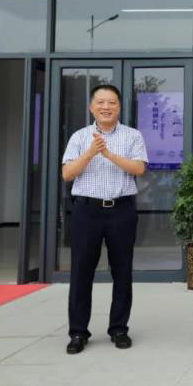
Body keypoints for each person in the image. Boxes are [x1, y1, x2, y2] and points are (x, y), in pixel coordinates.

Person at [61, 84, 148, 355]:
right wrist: (90, 153)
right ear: (92, 107)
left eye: (111, 102)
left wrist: (108, 154)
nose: (106, 107)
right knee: (81, 272)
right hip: (87, 211)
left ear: (119, 107)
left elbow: (139, 168)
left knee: (122, 271)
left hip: (121, 210)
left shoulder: (132, 136)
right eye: (100, 102)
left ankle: (119, 329)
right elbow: (67, 174)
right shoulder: (79, 137)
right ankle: (78, 332)